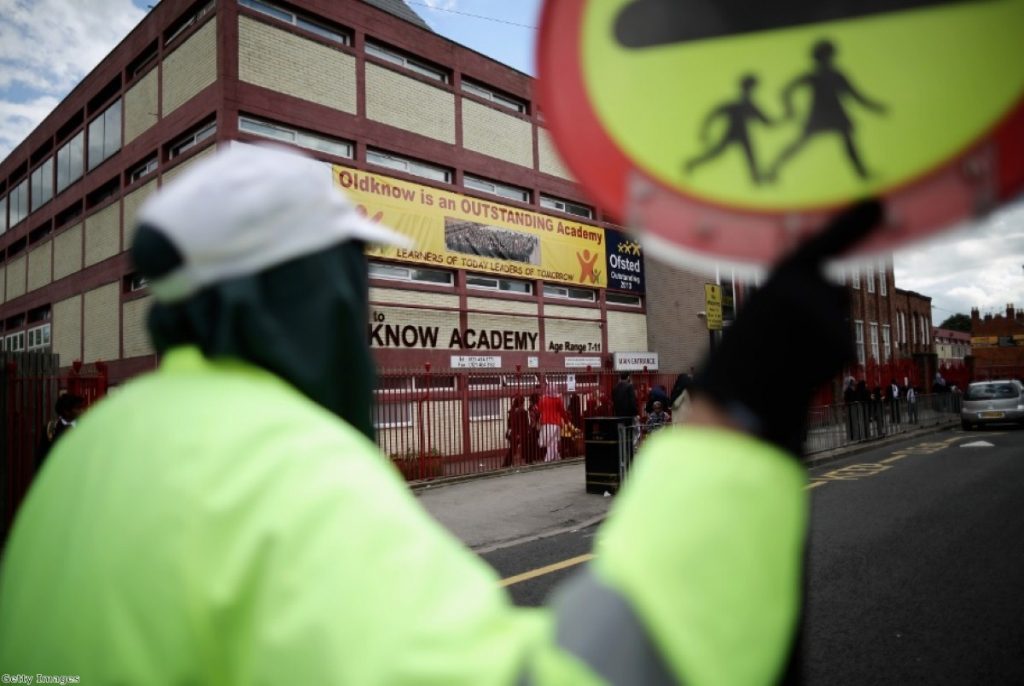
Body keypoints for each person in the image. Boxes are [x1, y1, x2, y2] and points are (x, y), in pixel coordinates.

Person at [0, 143, 883, 684]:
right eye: (352, 274)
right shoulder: (283, 468)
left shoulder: (95, 451)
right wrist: (735, 414)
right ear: (303, 292)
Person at [34, 392, 86, 470]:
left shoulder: (84, 426)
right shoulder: (51, 428)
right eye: (78, 408)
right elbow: (42, 456)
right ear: (66, 411)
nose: (82, 410)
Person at [538, 388, 568, 461]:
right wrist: (566, 420)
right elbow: (562, 411)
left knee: (550, 441)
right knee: (553, 440)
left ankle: (556, 456)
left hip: (545, 423)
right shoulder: (557, 399)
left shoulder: (542, 399)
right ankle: (548, 459)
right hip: (555, 423)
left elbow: (539, 410)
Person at [503, 396, 530, 467]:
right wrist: (527, 431)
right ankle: (507, 463)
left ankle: (508, 463)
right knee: (521, 447)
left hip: (512, 433)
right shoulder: (523, 412)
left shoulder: (512, 411)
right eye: (523, 402)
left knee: (513, 449)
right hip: (519, 433)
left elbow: (509, 423)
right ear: (522, 403)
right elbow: (525, 424)